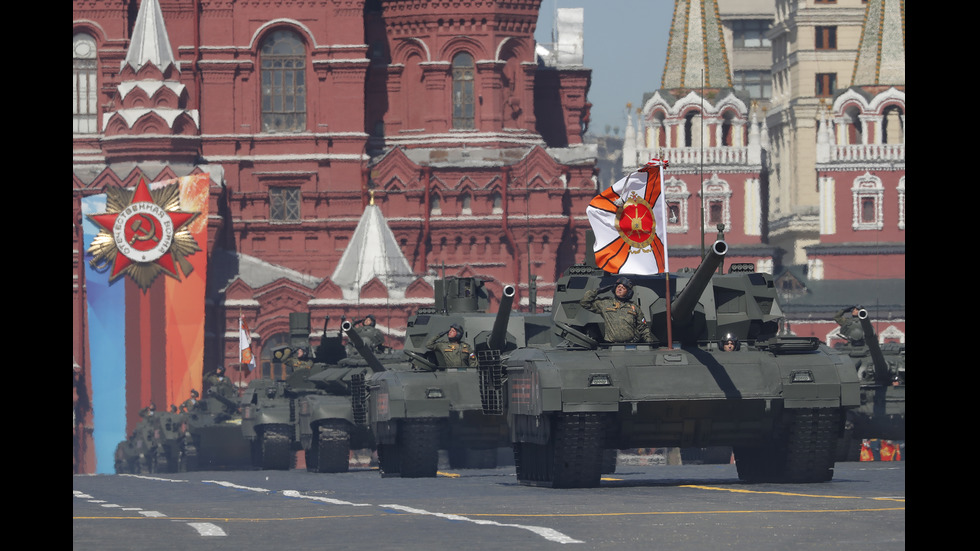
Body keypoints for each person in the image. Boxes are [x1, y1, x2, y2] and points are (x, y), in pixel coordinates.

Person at [579, 277, 651, 343]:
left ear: (628, 292)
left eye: (623, 288)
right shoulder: (605, 303)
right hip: (611, 345)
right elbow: (584, 302)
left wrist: (649, 342)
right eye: (618, 287)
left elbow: (643, 327)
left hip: (630, 345)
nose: (619, 289)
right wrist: (597, 291)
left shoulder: (634, 307)